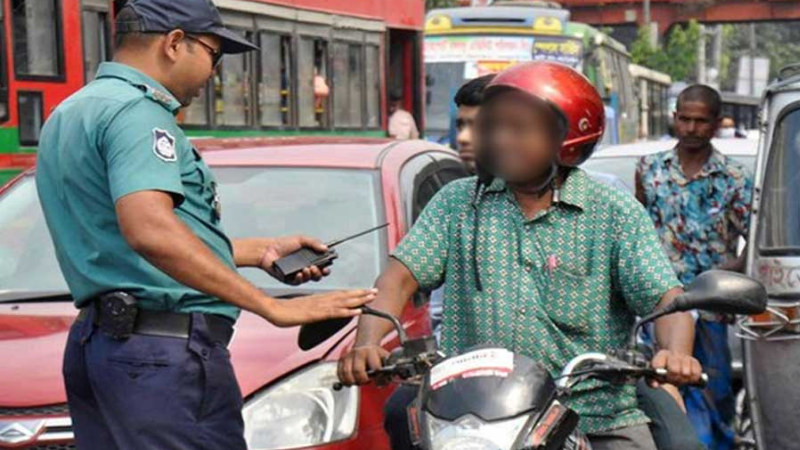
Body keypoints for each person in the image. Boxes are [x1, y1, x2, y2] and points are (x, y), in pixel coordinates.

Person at [35, 1, 375, 449]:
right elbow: (151, 231)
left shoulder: (73, 110)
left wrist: (258, 252)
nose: (213, 72)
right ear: (175, 43)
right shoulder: (138, 113)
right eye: (213, 55)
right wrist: (271, 306)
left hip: (102, 347)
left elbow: (121, 239)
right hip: (163, 358)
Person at [339, 61, 702, 450]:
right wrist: (368, 341)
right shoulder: (457, 203)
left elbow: (667, 301)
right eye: (494, 127)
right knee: (400, 415)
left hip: (592, 415)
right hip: (470, 419)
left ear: (567, 140)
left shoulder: (614, 213)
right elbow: (399, 277)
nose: (499, 140)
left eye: (518, 129)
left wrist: (675, 355)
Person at [635, 85, 753, 450]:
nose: (691, 127)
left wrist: (719, 278)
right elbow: (635, 234)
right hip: (658, 306)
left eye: (700, 121)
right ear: (675, 118)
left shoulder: (734, 178)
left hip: (712, 309)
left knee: (713, 401)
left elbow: (754, 244)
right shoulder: (651, 169)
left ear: (715, 124)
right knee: (660, 395)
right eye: (684, 119)